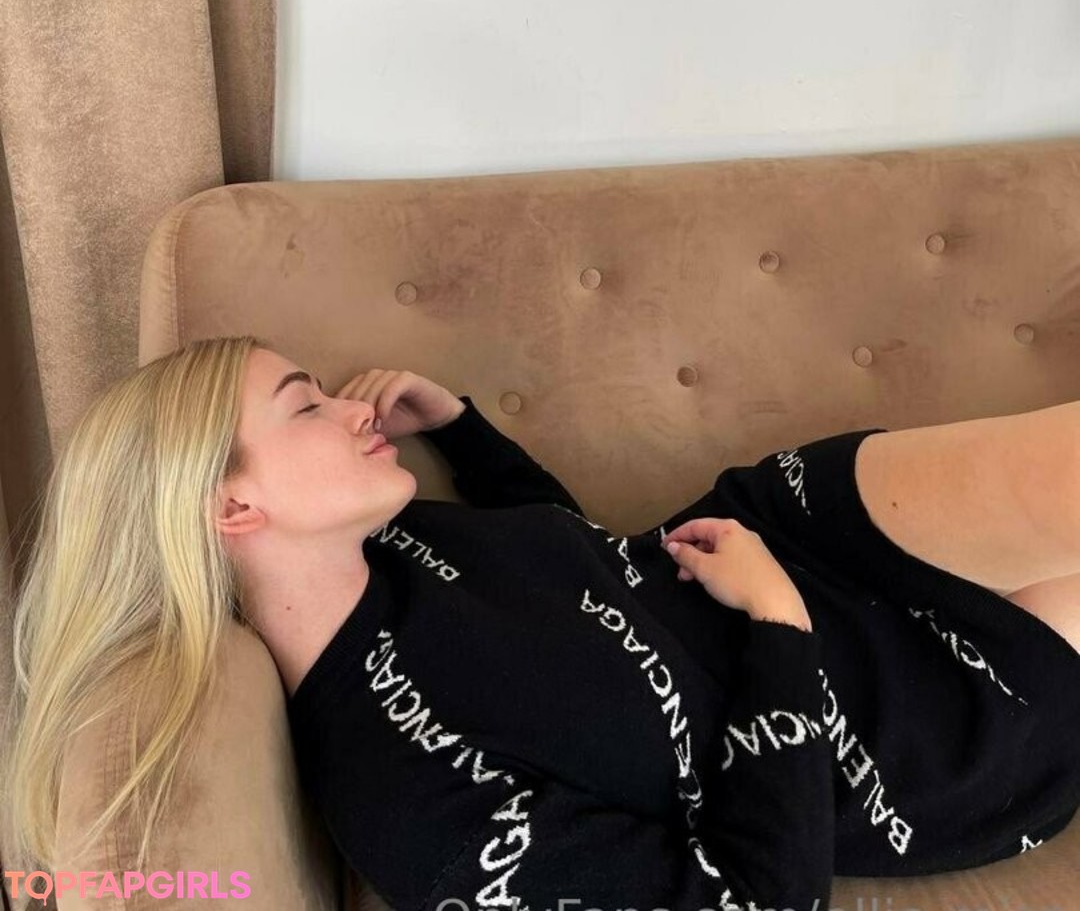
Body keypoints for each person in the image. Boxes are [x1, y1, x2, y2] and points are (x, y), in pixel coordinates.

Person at [6, 336, 1080, 911]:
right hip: (881, 733)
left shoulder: (387, 546)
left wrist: (462, 431)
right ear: (234, 508)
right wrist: (778, 627)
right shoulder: (419, 805)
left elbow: (580, 572)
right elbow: (757, 898)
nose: (355, 407)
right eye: (307, 405)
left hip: (773, 534)